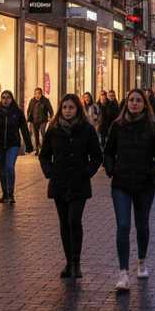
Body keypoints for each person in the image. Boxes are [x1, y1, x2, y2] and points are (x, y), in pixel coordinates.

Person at [103, 88, 155, 292]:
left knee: (142, 224)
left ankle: (141, 261)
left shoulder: (153, 127)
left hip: (144, 184)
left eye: (139, 100)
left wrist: (153, 173)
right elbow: (109, 151)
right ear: (126, 103)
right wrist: (111, 169)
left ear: (144, 104)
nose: (135, 104)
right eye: (131, 100)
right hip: (121, 183)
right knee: (123, 226)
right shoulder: (117, 125)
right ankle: (123, 272)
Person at [39, 94, 102, 278]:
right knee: (64, 223)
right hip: (59, 182)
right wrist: (49, 171)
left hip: (78, 183)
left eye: (71, 107)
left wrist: (86, 172)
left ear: (78, 109)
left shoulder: (86, 129)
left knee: (74, 220)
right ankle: (68, 262)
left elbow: (97, 156)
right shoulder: (54, 129)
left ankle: (76, 262)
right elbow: (44, 155)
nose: (67, 111)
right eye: (65, 107)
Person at [0, 90, 33, 204]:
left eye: (8, 97)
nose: (5, 100)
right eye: (3, 98)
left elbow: (24, 129)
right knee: (2, 169)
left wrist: (29, 145)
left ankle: (11, 193)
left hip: (13, 144)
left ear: (12, 99)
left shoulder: (17, 112)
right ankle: (5, 193)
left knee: (9, 167)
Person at [26, 88, 53, 152]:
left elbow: (50, 110)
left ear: (41, 94)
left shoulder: (45, 100)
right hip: (34, 120)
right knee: (36, 135)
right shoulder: (32, 100)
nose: (37, 95)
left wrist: (51, 117)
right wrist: (28, 117)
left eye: (38, 93)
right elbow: (29, 110)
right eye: (36, 94)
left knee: (42, 132)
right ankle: (37, 149)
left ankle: (45, 147)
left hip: (43, 120)